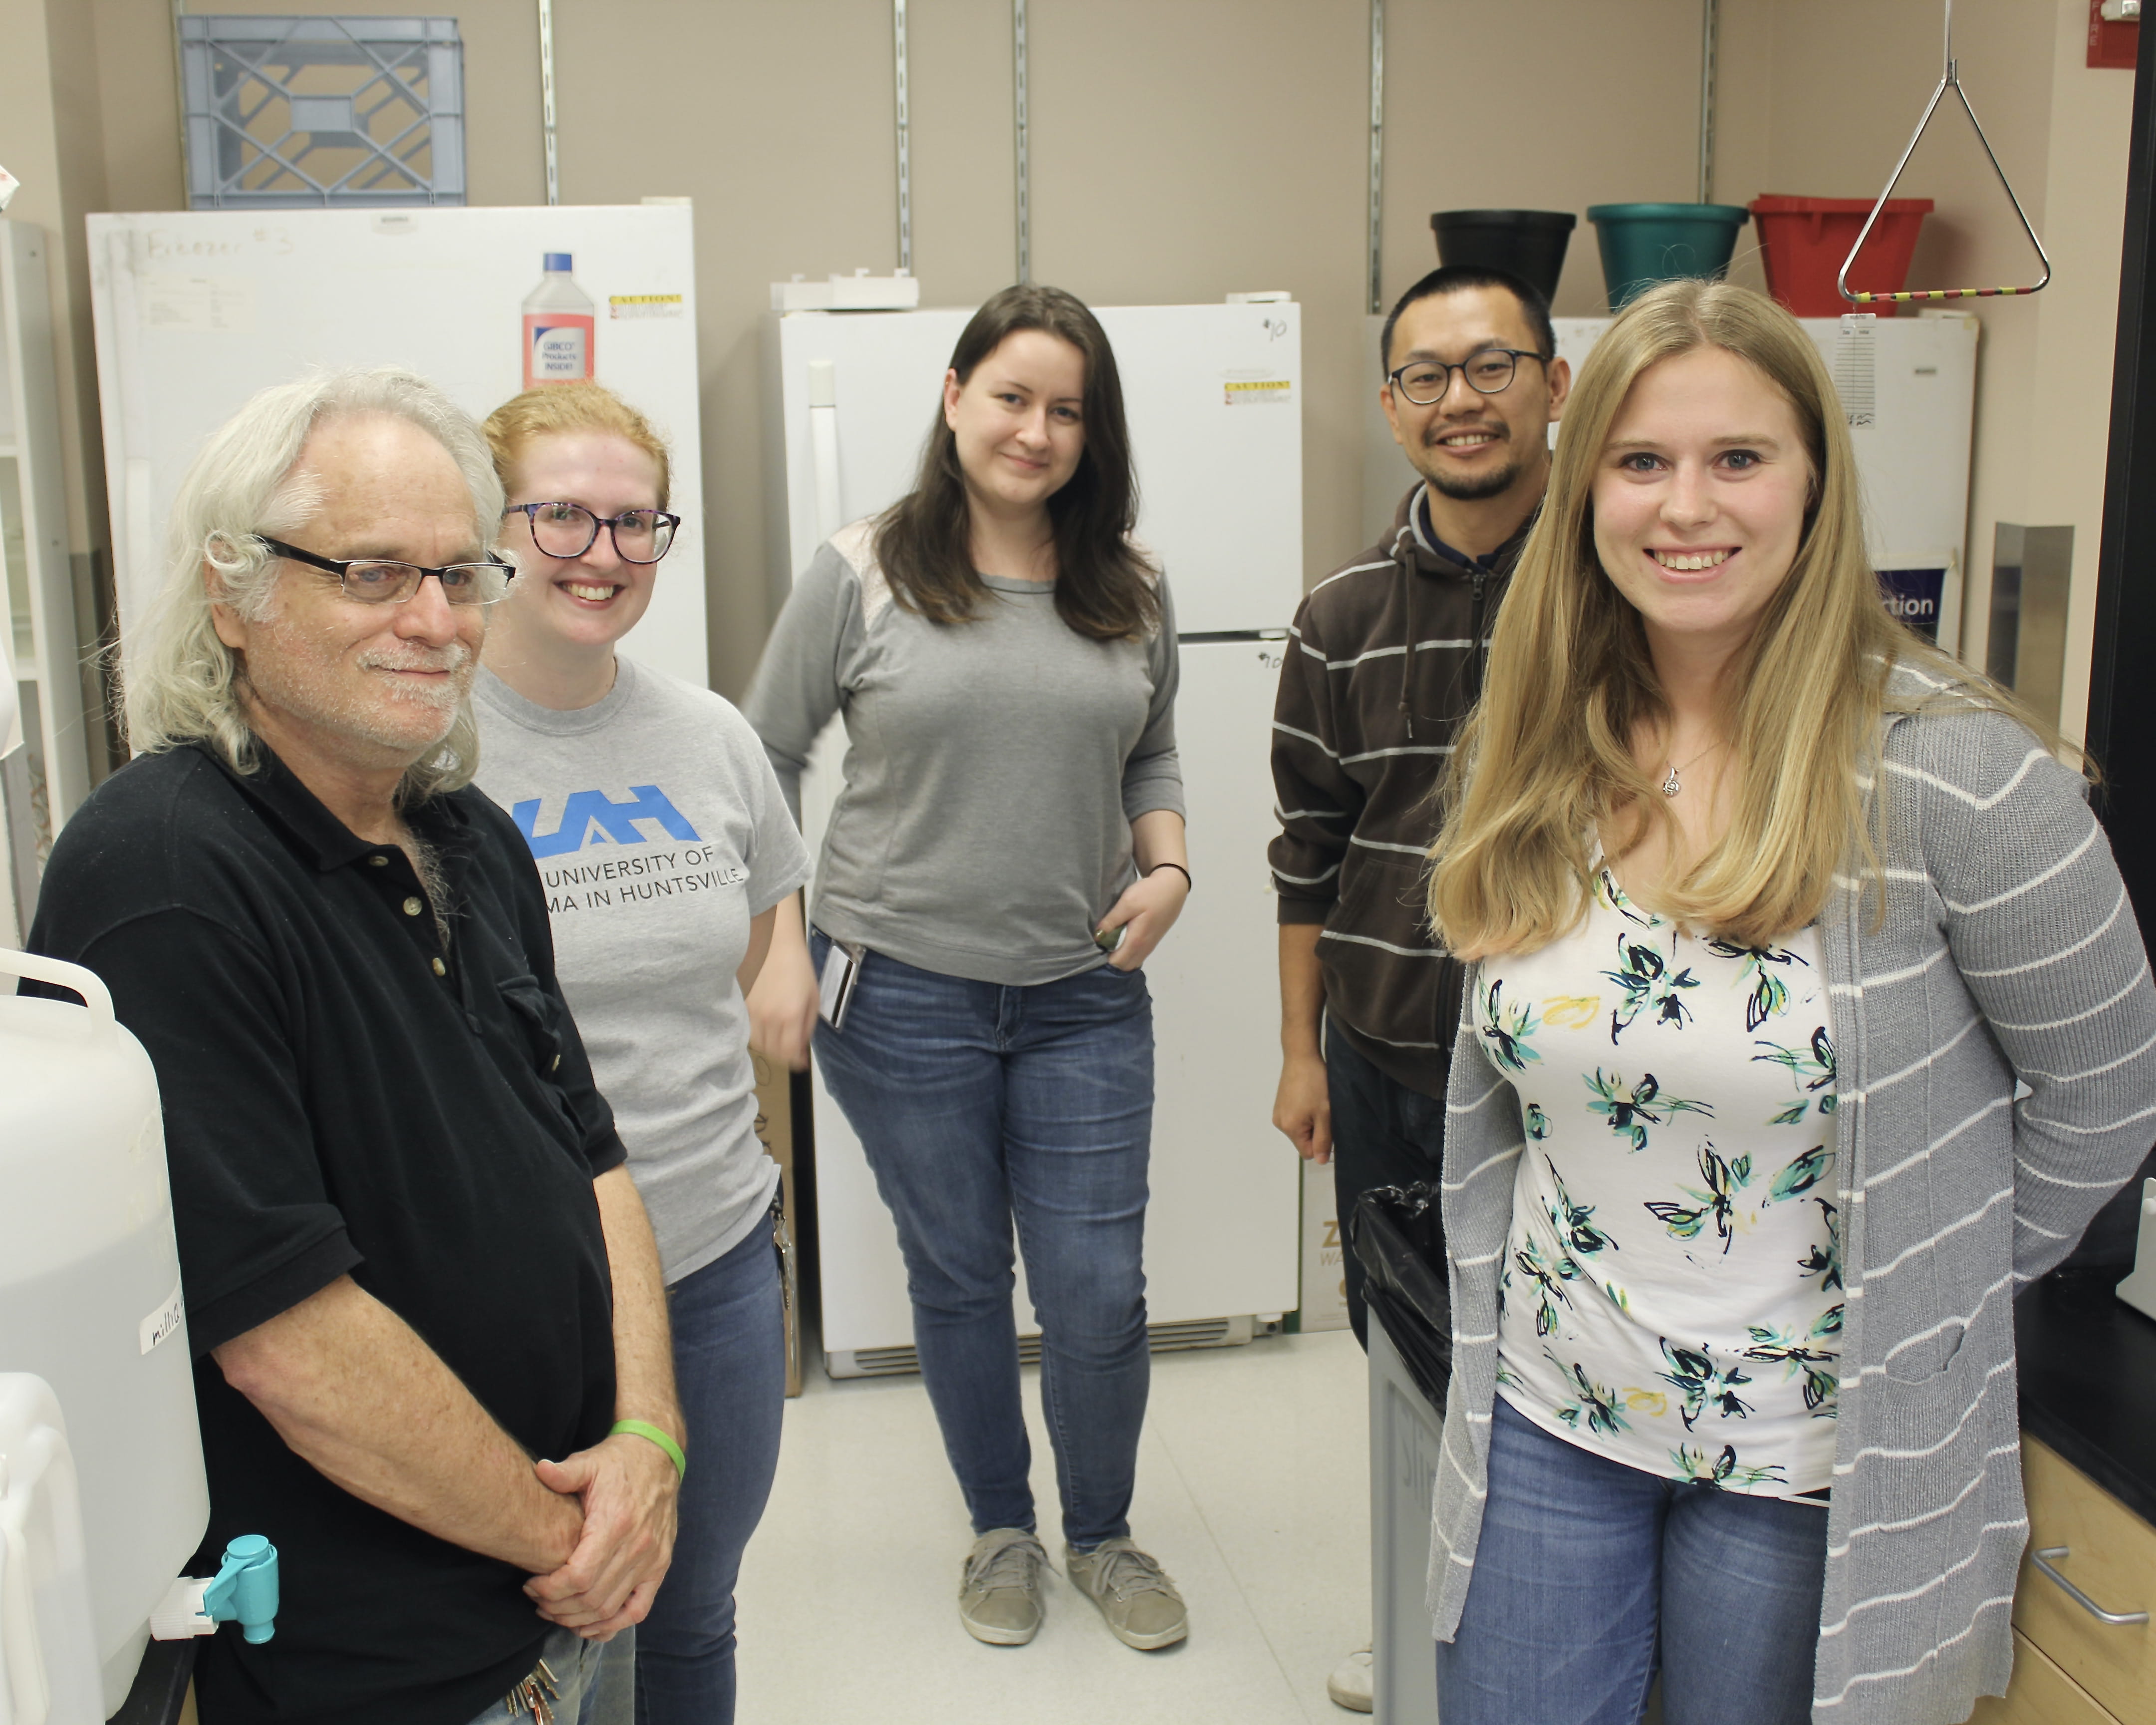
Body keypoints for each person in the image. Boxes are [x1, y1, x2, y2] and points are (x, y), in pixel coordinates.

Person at [1421, 279, 2156, 1725]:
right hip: (1552, 1414)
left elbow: (2110, 1090)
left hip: (1812, 1460)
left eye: (1737, 460)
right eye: (1641, 463)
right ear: (1586, 494)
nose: (1686, 506)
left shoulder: (1959, 775)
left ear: (1814, 486)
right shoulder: (1542, 748)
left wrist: (1926, 1283)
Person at [25, 368, 684, 1725]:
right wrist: (572, 1544)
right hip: (393, 1667)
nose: (435, 623)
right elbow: (285, 1337)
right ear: (234, 594)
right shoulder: (166, 869)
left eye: (459, 574)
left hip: (569, 1603)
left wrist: (646, 1439)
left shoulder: (468, 837)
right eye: (373, 574)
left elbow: (593, 1158)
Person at [744, 284, 1193, 1654]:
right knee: (955, 1273)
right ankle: (1001, 1526)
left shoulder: (1134, 582)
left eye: (1067, 409)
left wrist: (1169, 869)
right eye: (1012, 397)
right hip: (900, 992)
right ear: (954, 398)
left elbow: (1152, 753)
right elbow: (761, 757)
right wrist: (775, 949)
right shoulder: (863, 567)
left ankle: (1103, 1535)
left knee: (1096, 1290)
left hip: (1084, 992)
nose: (1037, 430)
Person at [468, 381, 809, 1725]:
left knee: (694, 1601)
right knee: (556, 1619)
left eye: (633, 523)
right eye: (562, 515)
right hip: (519, 1287)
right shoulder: (430, 755)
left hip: (716, 1257)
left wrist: (780, 967)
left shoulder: (710, 733)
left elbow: (771, 893)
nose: (600, 553)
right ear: (491, 526)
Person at [1268, 265, 1569, 1713]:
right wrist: (1299, 1054)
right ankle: (1415, 1618)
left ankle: (1542, 1633)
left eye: (1493, 364)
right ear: (1392, 409)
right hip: (1386, 1055)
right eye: (1428, 375)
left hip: (1573, 1079)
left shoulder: (1619, 581)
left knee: (1557, 1379)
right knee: (1411, 1365)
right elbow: (1305, 858)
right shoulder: (1337, 618)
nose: (1462, 398)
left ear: (1554, 384)